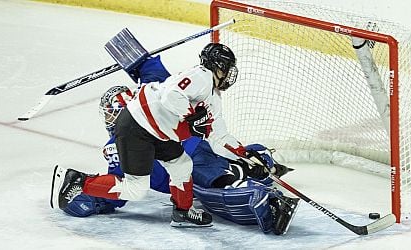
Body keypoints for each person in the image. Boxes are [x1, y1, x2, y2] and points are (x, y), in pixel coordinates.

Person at [51, 42, 257, 228]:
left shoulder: (213, 97)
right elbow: (171, 97)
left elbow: (218, 137)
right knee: (136, 189)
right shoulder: (201, 76)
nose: (230, 73)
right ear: (218, 66)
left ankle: (182, 212)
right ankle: (78, 181)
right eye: (227, 67)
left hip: (159, 133)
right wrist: (191, 117)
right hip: (136, 127)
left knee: (182, 165)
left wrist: (243, 155)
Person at [59, 82, 299, 234]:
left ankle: (263, 184)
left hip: (194, 155)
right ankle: (262, 172)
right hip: (195, 152)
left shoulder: (119, 141)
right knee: (225, 176)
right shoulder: (147, 111)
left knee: (221, 184)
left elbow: (118, 192)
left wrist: (89, 198)